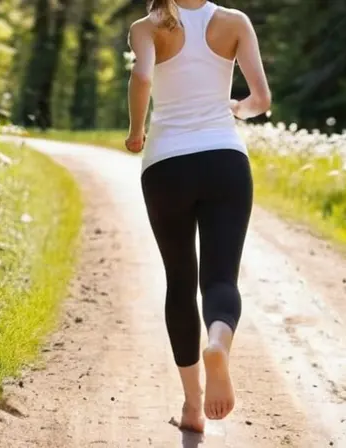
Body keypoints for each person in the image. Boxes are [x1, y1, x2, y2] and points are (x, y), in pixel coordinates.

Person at [124, 0, 271, 434]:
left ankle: (192, 405)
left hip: (167, 164)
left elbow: (143, 76)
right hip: (226, 160)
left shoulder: (147, 27)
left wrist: (136, 130)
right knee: (221, 280)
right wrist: (235, 109)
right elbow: (261, 100)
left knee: (181, 281)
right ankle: (218, 343)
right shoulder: (234, 22)